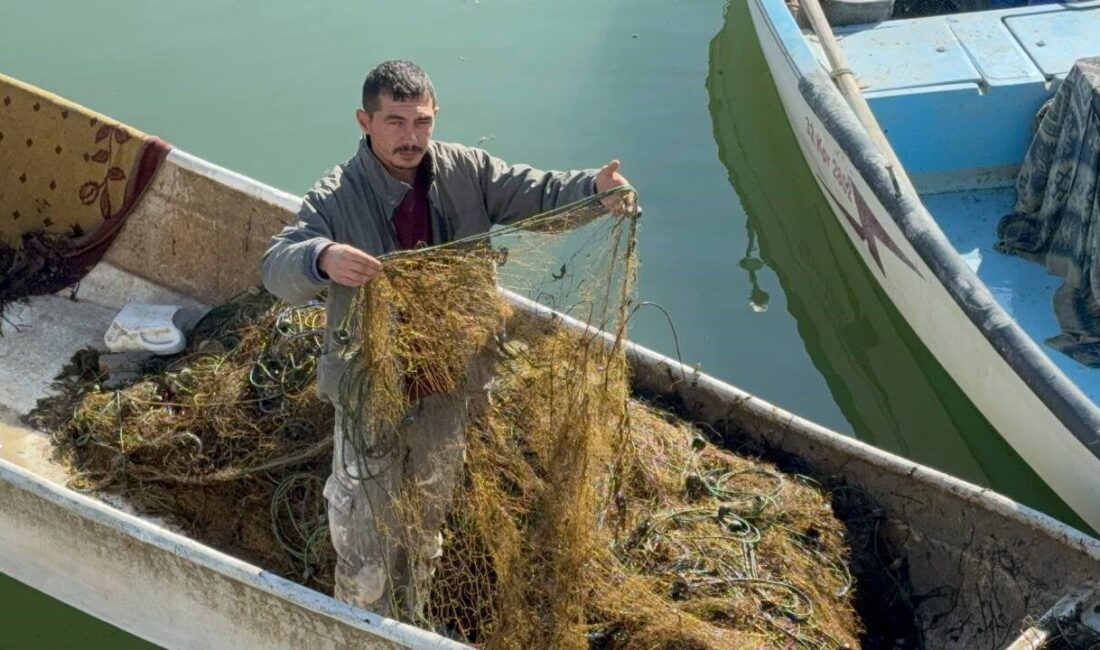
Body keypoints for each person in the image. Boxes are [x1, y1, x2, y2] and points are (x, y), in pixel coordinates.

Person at [260, 60, 632, 620]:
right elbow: (275, 265)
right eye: (394, 122)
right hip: (370, 387)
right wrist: (322, 257)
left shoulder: (468, 170)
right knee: (364, 538)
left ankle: (412, 621)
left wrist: (594, 191)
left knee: (426, 525)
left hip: (449, 380)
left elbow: (540, 195)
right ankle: (361, 624)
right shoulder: (337, 195)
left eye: (421, 121)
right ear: (365, 121)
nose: (410, 137)